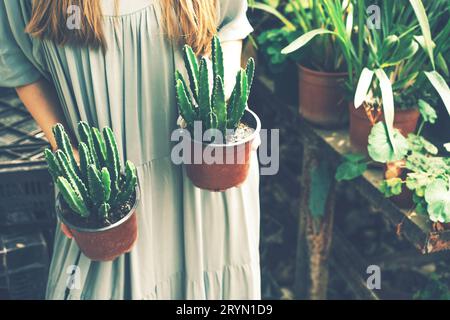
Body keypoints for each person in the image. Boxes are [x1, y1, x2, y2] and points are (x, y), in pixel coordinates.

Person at [0, 0, 260, 299]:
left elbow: (230, 25)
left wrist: (216, 112)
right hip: (106, 197)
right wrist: (69, 159)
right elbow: (16, 62)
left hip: (204, 182)